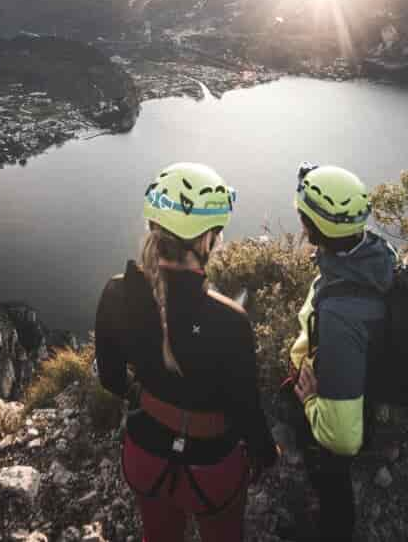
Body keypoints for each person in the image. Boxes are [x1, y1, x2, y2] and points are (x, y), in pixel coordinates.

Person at [95, 162, 279, 542]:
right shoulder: (230, 320)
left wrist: (145, 396)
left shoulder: (117, 293)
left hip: (144, 454)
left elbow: (111, 379)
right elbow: (245, 409)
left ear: (153, 227)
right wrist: (266, 453)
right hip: (213, 469)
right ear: (207, 240)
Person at [286, 163, 395, 542]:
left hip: (345, 397)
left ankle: (331, 527)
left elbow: (344, 438)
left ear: (310, 227)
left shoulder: (339, 317)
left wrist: (312, 401)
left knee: (332, 481)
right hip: (364, 365)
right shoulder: (375, 255)